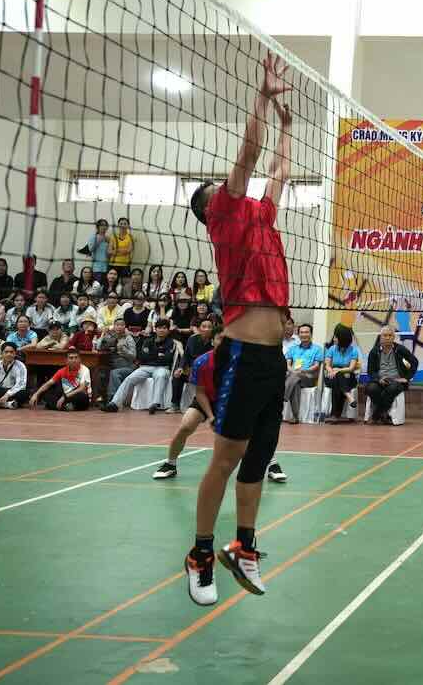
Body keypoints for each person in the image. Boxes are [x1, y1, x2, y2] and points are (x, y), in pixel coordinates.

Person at [183, 50, 295, 606]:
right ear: (210, 209)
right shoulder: (225, 218)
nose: (227, 185)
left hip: (273, 361)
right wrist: (261, 98)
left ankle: (244, 545)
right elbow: (249, 160)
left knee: (257, 459)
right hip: (243, 358)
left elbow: (277, 171)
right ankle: (200, 551)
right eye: (217, 186)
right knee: (224, 460)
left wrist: (289, 128)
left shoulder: (262, 217)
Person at [155, 326, 287, 485]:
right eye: (220, 339)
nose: (224, 343)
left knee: (254, 432)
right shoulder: (201, 362)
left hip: (235, 400)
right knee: (185, 426)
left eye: (228, 340)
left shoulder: (242, 363)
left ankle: (272, 465)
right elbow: (201, 392)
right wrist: (211, 417)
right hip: (208, 399)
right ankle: (170, 464)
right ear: (212, 341)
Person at [363, 326, 419, 424]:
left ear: (393, 337)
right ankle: (384, 414)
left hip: (396, 380)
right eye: (385, 335)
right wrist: (379, 378)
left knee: (391, 389)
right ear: (381, 337)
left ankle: (376, 415)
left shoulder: (400, 349)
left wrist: (406, 378)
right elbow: (370, 371)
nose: (387, 337)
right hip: (380, 380)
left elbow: (414, 362)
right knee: (371, 389)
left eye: (390, 335)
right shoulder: (374, 351)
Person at [27, 348, 93, 411]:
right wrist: (36, 394)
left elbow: (81, 388)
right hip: (66, 397)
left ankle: (59, 406)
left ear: (80, 359)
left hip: (79, 396)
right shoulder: (62, 371)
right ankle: (67, 406)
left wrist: (64, 397)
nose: (74, 360)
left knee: (82, 397)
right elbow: (48, 383)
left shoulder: (85, 370)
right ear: (66, 360)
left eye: (76, 357)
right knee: (48, 392)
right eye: (71, 358)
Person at [282, 324, 324, 423]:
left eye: (306, 332)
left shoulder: (317, 349)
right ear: (298, 334)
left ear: (311, 334)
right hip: (295, 376)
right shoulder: (293, 348)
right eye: (301, 332)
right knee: (295, 384)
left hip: (309, 376)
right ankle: (295, 417)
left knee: (294, 377)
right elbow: (288, 364)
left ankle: (283, 397)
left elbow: (316, 366)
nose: (304, 334)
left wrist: (303, 371)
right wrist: (293, 371)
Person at [321, 325, 361, 424]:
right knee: (337, 379)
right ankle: (348, 396)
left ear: (342, 338)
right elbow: (327, 365)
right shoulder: (332, 349)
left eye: (336, 337)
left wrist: (338, 370)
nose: (333, 339)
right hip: (332, 376)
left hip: (349, 378)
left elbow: (351, 368)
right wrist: (331, 371)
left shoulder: (353, 350)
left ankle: (335, 415)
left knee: (339, 378)